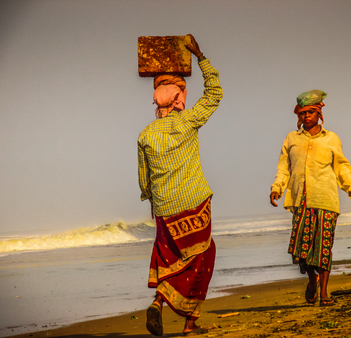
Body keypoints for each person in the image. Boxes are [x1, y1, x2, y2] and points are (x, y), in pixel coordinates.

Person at [138, 34, 223, 336]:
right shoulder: (187, 121)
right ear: (178, 98)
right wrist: (201, 57)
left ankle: (158, 303)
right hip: (195, 203)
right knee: (202, 257)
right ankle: (190, 323)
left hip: (164, 210)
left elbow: (144, 182)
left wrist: (155, 199)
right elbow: (214, 94)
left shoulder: (145, 135)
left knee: (169, 260)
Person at [269, 90, 351, 306]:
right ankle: (312, 280)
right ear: (298, 116)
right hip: (300, 201)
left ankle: (325, 292)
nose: (306, 116)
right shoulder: (291, 139)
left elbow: (342, 167)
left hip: (325, 200)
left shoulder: (331, 138)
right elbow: (283, 169)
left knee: (324, 247)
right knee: (301, 251)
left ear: (319, 114)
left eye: (310, 112)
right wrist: (277, 188)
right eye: (302, 113)